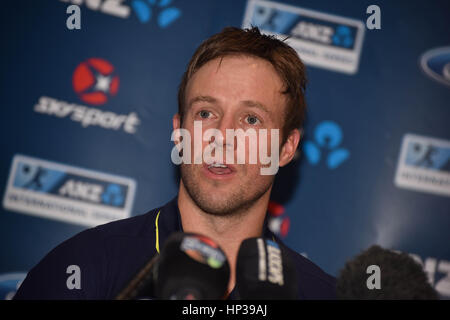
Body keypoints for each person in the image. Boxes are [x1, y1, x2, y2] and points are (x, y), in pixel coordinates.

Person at [14, 26, 336, 300]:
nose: (222, 136)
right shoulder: (85, 267)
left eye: (251, 119)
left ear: (286, 148)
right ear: (179, 132)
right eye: (205, 113)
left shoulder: (320, 293)